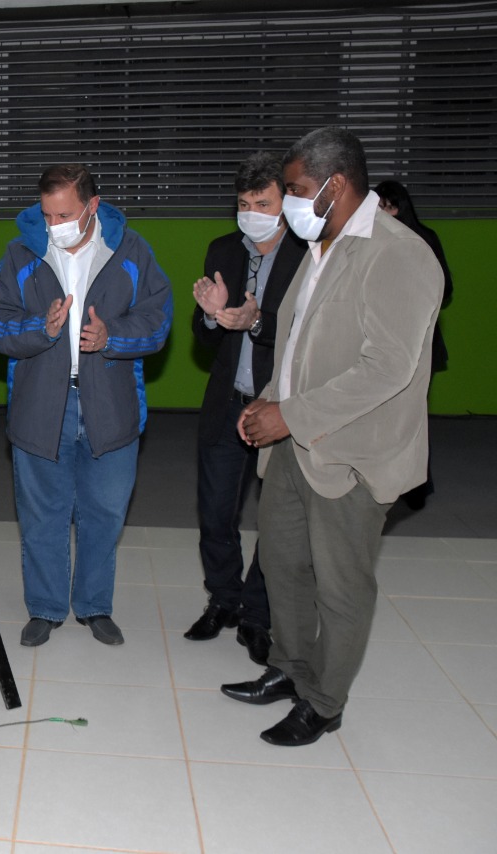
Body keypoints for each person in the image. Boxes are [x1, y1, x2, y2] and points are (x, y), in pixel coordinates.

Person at [226, 127, 443, 746]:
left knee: (341, 585)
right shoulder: (321, 246)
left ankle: (323, 702)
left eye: (295, 190)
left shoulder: (397, 253)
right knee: (283, 564)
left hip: (352, 453)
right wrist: (269, 401)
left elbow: (388, 368)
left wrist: (290, 415)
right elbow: (298, 343)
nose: (289, 201)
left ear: (335, 185)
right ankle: (290, 669)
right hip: (294, 445)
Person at [0, 164, 173, 648]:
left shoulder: (131, 251)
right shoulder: (22, 252)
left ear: (92, 206)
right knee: (42, 516)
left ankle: (94, 605)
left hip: (111, 406)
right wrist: (40, 328)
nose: (54, 225)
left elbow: (158, 320)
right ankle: (45, 608)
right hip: (41, 407)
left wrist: (112, 336)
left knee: (104, 514)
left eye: (64, 215)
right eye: (47, 214)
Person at [185, 152, 307, 665]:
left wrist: (256, 322)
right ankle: (224, 599)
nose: (252, 213)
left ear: (285, 204)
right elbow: (203, 335)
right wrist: (213, 317)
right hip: (225, 404)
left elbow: (309, 333)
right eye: (244, 204)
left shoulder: (308, 254)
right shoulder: (223, 249)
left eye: (263, 203)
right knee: (216, 514)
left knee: (276, 521)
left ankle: (258, 614)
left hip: (278, 408)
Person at [374, 179, 452, 510]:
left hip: (419, 343)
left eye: (387, 206)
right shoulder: (371, 240)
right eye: (378, 206)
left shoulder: (423, 239)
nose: (382, 212)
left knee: (412, 417)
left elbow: (445, 290)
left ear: (399, 207)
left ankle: (417, 485)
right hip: (381, 341)